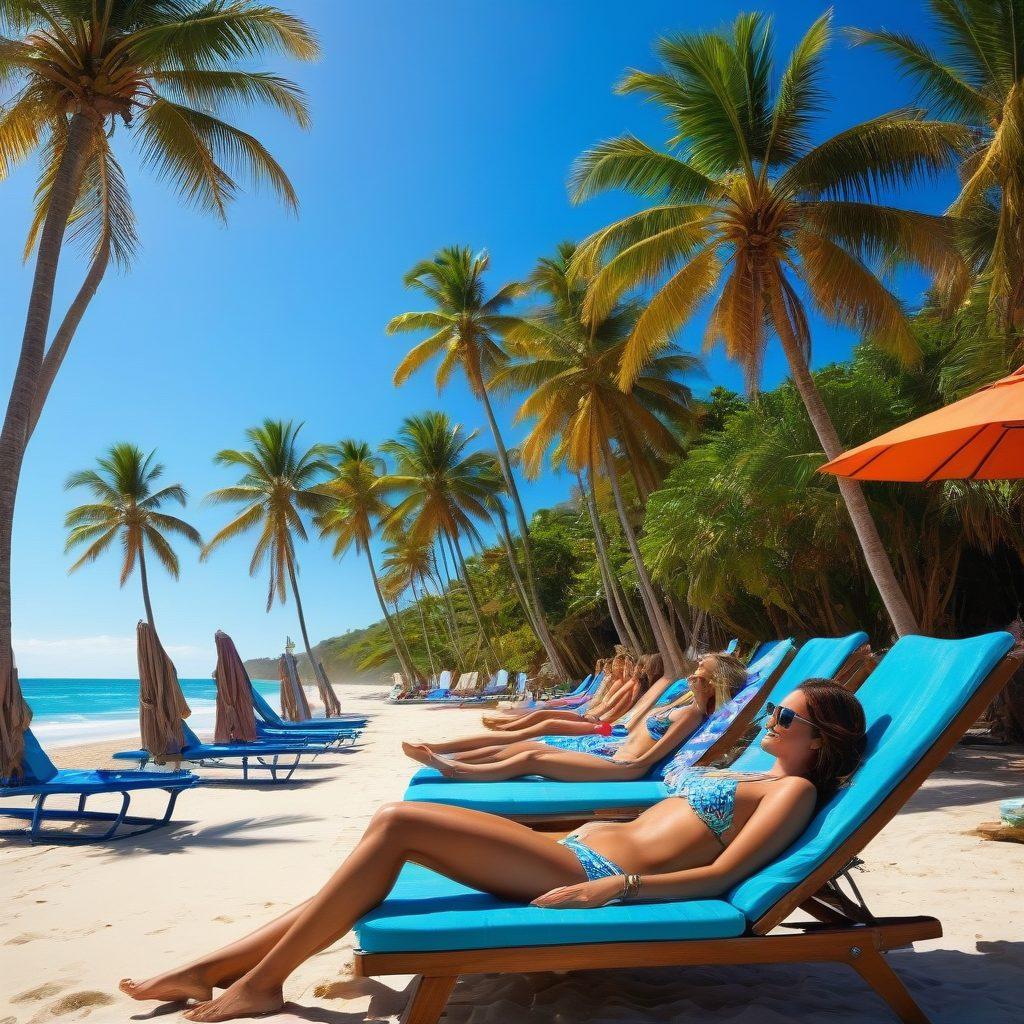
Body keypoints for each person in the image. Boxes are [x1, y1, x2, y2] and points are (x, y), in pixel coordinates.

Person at [120, 680, 866, 1022]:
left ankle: (262, 983)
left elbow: (725, 874)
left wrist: (614, 888)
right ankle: (213, 971)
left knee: (398, 823)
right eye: (774, 707)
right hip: (568, 846)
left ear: (819, 737)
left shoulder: (789, 792)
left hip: (589, 871)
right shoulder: (755, 771)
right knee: (378, 862)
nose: (771, 717)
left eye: (786, 714)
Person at [402, 653, 747, 781]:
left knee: (531, 755)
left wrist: (624, 759)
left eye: (702, 670)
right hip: (611, 750)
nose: (694, 670)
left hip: (624, 767)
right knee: (529, 743)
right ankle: (451, 755)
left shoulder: (691, 713)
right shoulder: (684, 704)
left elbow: (652, 756)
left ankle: (456, 768)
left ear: (713, 683)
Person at [405, 654, 658, 757]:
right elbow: (608, 707)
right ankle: (447, 747)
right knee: (539, 721)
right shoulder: (629, 684)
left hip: (602, 726)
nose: (624, 669)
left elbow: (614, 712)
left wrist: (592, 721)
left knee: (539, 724)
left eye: (629, 666)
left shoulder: (633, 686)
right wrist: (590, 716)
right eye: (620, 666)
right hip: (596, 721)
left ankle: (447, 750)